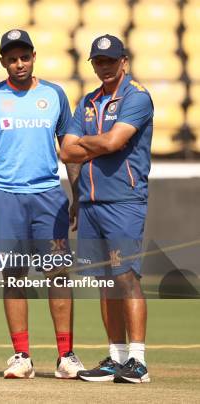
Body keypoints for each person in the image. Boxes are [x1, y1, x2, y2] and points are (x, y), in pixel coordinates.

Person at [0, 29, 84, 379]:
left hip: (49, 195)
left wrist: (76, 197)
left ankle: (66, 356)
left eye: (24, 57)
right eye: (12, 58)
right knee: (13, 274)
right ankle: (21, 356)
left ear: (34, 57)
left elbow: (70, 150)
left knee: (57, 274)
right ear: (3, 61)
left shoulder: (54, 95)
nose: (19, 63)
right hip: (5, 197)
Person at [60, 34, 153, 384]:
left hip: (124, 201)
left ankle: (138, 361)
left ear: (124, 62)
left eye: (110, 61)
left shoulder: (137, 97)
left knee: (126, 276)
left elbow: (115, 141)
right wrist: (97, 145)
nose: (104, 67)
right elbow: (66, 152)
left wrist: (87, 144)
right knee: (103, 281)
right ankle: (115, 358)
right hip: (91, 203)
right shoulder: (87, 101)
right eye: (98, 61)